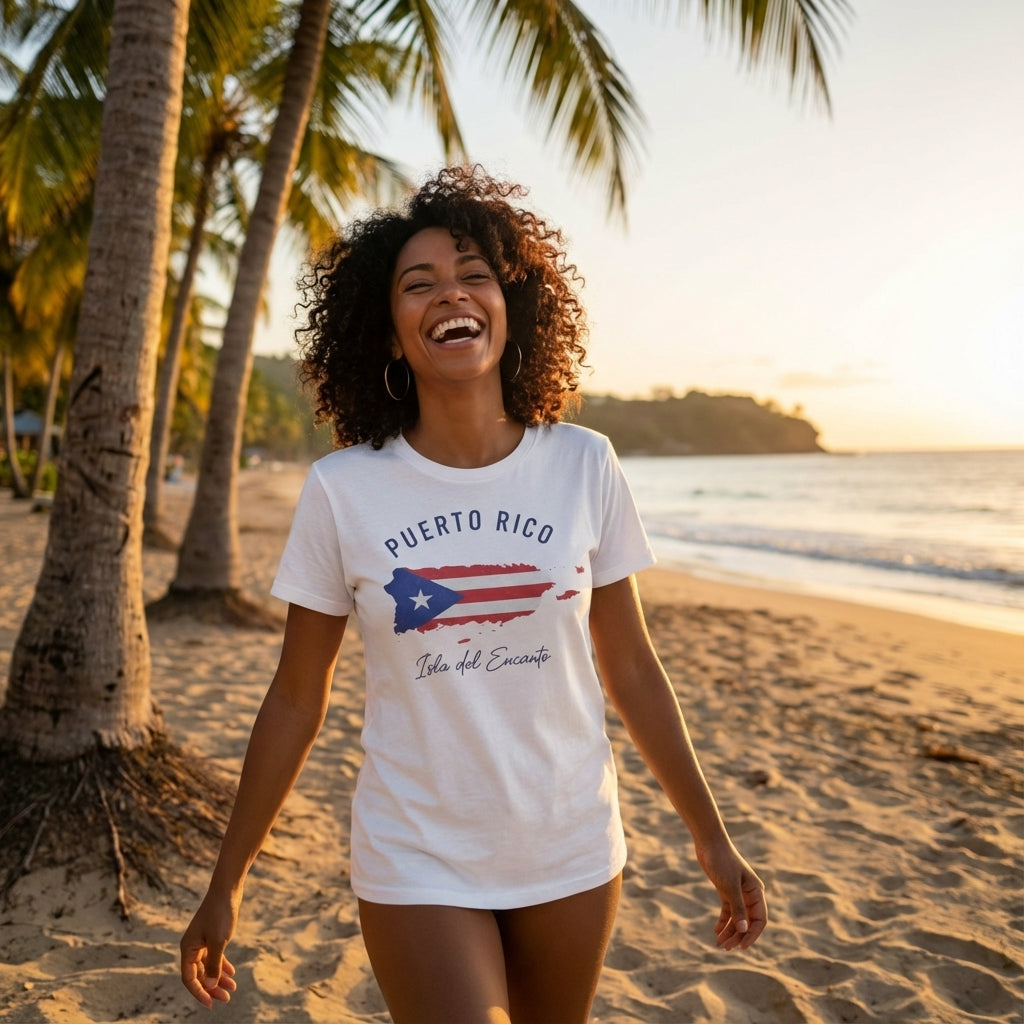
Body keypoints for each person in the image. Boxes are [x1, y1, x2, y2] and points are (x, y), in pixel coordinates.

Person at [179, 165, 766, 1023]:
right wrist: (225, 882)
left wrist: (713, 840)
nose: (449, 294)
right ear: (388, 333)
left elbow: (633, 669)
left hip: (569, 842)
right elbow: (297, 698)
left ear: (509, 305)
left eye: (474, 276)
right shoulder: (345, 489)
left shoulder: (583, 463)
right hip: (416, 851)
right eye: (419, 284)